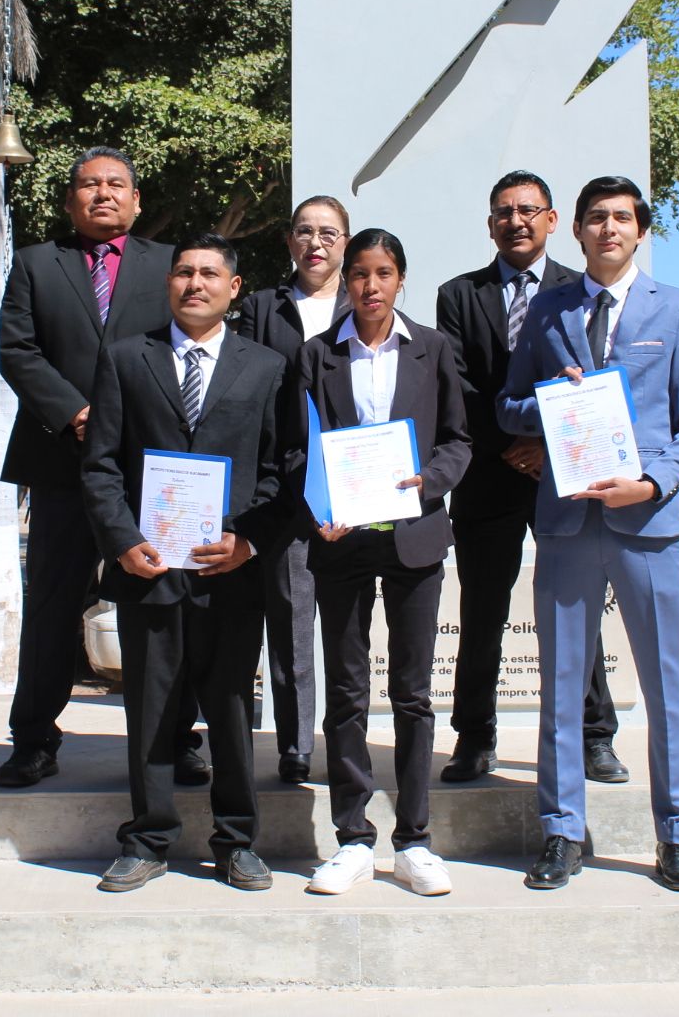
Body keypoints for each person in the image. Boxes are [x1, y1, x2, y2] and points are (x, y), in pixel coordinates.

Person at [498, 175, 679, 894]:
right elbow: (508, 405)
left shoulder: (675, 309)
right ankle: (562, 831)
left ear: (639, 230)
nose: (609, 229)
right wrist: (550, 404)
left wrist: (652, 483)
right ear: (579, 231)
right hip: (566, 520)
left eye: (622, 218)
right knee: (560, 687)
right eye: (596, 218)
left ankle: (676, 837)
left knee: (666, 689)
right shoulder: (549, 309)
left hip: (646, 520)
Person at [81, 233, 289, 893]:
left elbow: (286, 471)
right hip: (150, 570)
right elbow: (102, 467)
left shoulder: (267, 367)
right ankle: (146, 838)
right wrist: (121, 540)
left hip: (230, 572)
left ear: (234, 287)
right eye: (183, 273)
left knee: (230, 709)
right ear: (168, 284)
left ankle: (236, 841)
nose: (194, 283)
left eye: (209, 274)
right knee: (150, 709)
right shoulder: (124, 359)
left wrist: (248, 541)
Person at [0, 147, 203, 788]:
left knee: (165, 604)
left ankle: (176, 734)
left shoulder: (168, 265)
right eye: (89, 185)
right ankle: (33, 738)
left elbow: (189, 343)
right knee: (54, 606)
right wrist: (76, 412)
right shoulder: (35, 264)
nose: (103, 194)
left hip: (150, 469)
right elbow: (17, 351)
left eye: (116, 185)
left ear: (137, 200)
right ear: (69, 200)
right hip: (63, 465)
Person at [287, 229, 471, 897]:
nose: (369, 286)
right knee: (345, 692)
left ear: (401, 280)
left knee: (414, 694)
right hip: (341, 540)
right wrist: (318, 507)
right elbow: (295, 450)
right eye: (359, 274)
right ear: (346, 282)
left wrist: (430, 481)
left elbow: (458, 438)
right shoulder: (315, 356)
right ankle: (352, 837)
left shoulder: (433, 349)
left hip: (413, 538)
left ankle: (415, 839)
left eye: (383, 273)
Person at [434, 171, 629, 786]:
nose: (515, 221)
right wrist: (512, 447)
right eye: (503, 211)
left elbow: (596, 378)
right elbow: (461, 389)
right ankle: (473, 737)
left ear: (551, 220)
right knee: (483, 610)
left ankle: (595, 735)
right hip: (489, 478)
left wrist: (545, 446)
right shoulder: (458, 294)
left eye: (528, 210)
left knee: (576, 611)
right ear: (490, 223)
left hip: (564, 475)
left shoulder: (581, 288)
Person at [234, 195, 351, 784]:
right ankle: (295, 744)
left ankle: (348, 741)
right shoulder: (260, 307)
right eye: (304, 232)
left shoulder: (367, 303)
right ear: (289, 243)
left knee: (348, 625)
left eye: (328, 233)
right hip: (283, 488)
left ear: (346, 243)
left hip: (353, 487)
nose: (316, 243)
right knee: (290, 620)